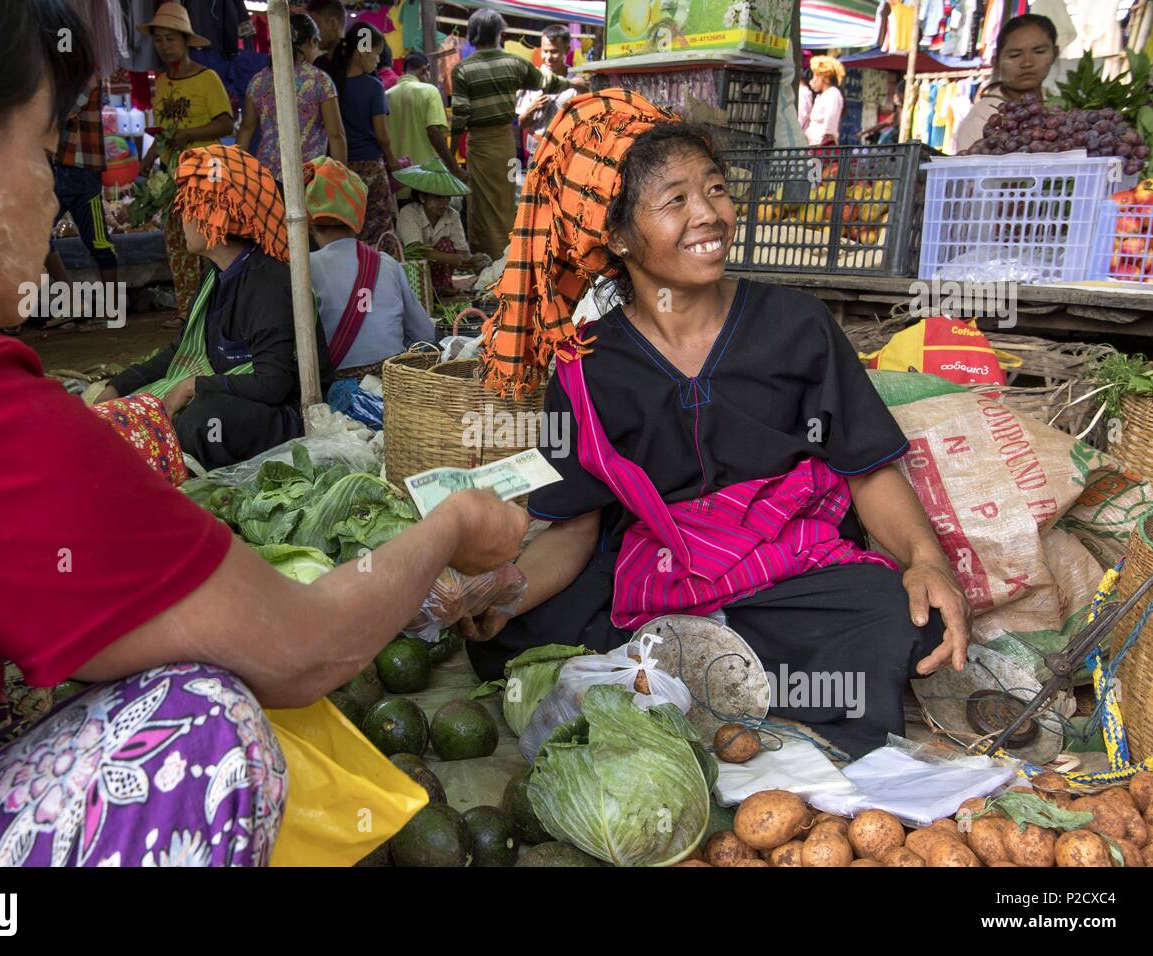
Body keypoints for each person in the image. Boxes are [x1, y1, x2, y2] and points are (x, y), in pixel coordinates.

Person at [0, 0, 527, 867]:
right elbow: (301, 648)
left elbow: (262, 378)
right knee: (202, 722)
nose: (46, 192)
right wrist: (451, 526)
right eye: (39, 146)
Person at [458, 92, 972, 758]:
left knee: (899, 615)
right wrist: (507, 593)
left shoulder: (796, 326)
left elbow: (866, 466)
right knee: (508, 632)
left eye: (717, 189)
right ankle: (720, 672)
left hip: (785, 566)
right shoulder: (587, 366)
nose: (709, 214)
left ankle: (685, 671)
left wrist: (927, 562)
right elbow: (574, 528)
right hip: (656, 570)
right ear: (615, 235)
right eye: (675, 200)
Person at [98, 146, 307, 469]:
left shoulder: (269, 282)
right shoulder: (216, 277)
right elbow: (181, 350)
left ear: (215, 215)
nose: (181, 218)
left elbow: (274, 383)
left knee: (200, 421)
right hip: (229, 395)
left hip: (281, 412)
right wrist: (118, 386)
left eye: (188, 207)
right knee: (132, 408)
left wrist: (194, 385)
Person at [450, 8, 587, 260]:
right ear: (500, 34)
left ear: (472, 34)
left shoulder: (462, 69)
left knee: (482, 207)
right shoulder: (514, 63)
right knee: (505, 206)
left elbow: (459, 116)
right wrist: (572, 83)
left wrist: (450, 155)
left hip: (479, 145)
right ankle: (507, 260)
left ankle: (486, 261)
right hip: (504, 143)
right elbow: (548, 82)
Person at [138, 2, 234, 331]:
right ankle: (185, 310)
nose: (164, 46)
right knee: (177, 244)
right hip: (171, 177)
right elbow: (164, 132)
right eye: (159, 40)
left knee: (209, 243)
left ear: (186, 42)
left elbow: (226, 124)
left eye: (170, 39)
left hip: (206, 173)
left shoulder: (208, 79)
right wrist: (149, 160)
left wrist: (189, 134)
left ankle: (214, 309)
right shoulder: (162, 82)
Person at [307, 157, 437, 379]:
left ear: (309, 222)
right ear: (359, 217)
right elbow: (424, 334)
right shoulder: (387, 263)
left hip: (336, 386)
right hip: (393, 382)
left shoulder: (305, 268)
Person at [237, 10, 347, 186]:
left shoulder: (258, 81)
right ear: (312, 42)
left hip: (266, 177)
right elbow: (336, 135)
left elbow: (246, 129)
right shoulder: (320, 81)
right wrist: (341, 180)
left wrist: (236, 173)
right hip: (309, 177)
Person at [41, 77, 118, 328]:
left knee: (98, 240)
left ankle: (113, 309)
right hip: (59, 166)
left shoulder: (83, 74)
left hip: (82, 168)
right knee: (37, 234)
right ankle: (75, 302)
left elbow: (63, 111)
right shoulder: (56, 74)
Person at [329, 22, 402, 244]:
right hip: (370, 168)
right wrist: (392, 160)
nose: (378, 60)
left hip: (341, 169)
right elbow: (382, 134)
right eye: (376, 54)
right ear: (362, 51)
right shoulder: (373, 86)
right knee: (380, 230)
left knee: (351, 229)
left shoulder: (333, 84)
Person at [952, 14, 1059, 155]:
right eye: (1015, 55)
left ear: (1055, 53)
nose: (1027, 63)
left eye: (1039, 52)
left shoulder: (1059, 105)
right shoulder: (983, 118)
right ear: (996, 62)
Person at [394, 158, 487, 295]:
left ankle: (440, 287)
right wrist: (450, 258)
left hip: (435, 270)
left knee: (446, 245)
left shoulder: (452, 215)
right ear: (422, 197)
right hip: (410, 269)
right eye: (438, 197)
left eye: (447, 198)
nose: (444, 203)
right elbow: (416, 251)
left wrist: (475, 262)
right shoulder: (409, 213)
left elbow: (461, 251)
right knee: (440, 250)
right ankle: (421, 291)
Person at [387, 50, 466, 199]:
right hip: (425, 182)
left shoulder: (387, 95)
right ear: (425, 69)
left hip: (396, 182)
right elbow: (434, 132)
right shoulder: (429, 91)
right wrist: (454, 169)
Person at [515, 24, 578, 160]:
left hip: (566, 155)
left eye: (554, 51)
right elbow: (521, 123)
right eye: (545, 51)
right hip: (536, 154)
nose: (548, 57)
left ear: (567, 50)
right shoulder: (530, 80)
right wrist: (532, 108)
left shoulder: (577, 82)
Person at [802, 55, 845, 146]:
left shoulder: (833, 94)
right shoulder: (822, 96)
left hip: (821, 149)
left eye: (815, 77)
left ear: (825, 78)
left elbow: (829, 128)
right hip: (812, 146)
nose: (812, 81)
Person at [305, 0, 347, 77]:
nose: (312, 34)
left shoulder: (354, 64)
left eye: (316, 26)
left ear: (333, 24)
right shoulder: (318, 63)